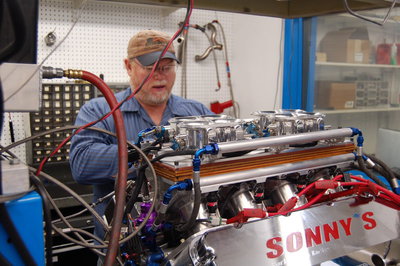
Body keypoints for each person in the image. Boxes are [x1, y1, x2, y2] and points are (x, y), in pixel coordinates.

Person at [69, 29, 213, 244]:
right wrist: (155, 153)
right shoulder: (100, 110)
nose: (159, 75)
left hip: (186, 242)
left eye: (167, 67)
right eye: (150, 67)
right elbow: (83, 165)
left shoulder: (197, 113)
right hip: (124, 248)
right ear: (128, 66)